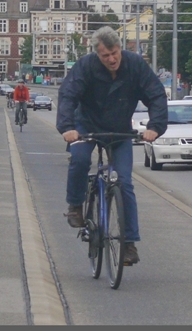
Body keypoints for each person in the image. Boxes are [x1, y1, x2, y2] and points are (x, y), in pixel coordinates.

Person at [57, 26, 168, 266]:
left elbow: (156, 95)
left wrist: (155, 126)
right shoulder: (85, 67)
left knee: (125, 182)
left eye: (115, 53)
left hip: (119, 130)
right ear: (97, 54)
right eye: (105, 55)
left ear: (120, 48)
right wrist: (67, 127)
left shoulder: (135, 65)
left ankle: (128, 244)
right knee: (79, 160)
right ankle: (76, 205)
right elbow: (68, 95)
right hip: (85, 126)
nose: (112, 59)